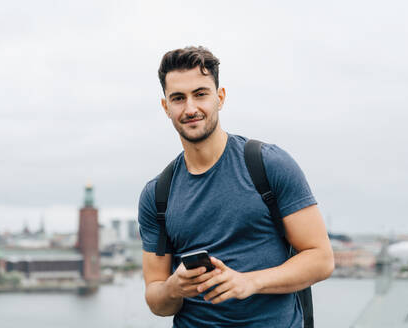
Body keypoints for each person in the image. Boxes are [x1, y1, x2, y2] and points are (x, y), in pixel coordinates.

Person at [138, 46, 334, 327]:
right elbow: (156, 298)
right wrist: (174, 287)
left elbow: (321, 259)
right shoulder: (157, 195)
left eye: (201, 94)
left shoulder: (268, 164)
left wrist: (249, 282)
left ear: (220, 98)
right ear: (165, 107)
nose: (191, 108)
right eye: (178, 98)